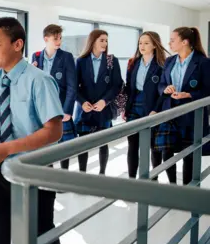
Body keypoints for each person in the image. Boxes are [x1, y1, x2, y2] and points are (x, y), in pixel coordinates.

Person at [0, 17, 63, 244]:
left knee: (42, 234)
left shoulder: (40, 80)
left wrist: (8, 148)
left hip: (34, 170)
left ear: (17, 44)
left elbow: (54, 131)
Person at [154, 27, 210, 185]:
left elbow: (207, 90)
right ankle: (173, 187)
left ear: (184, 42)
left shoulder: (203, 62)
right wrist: (165, 89)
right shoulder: (170, 61)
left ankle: (186, 191)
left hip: (191, 116)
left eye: (172, 40)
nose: (169, 43)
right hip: (169, 113)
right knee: (166, 152)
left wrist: (189, 94)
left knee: (189, 156)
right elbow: (161, 84)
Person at [74, 29, 123, 174]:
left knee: (103, 143)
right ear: (93, 41)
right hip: (85, 110)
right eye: (101, 40)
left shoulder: (111, 60)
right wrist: (82, 102)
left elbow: (117, 85)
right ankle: (82, 174)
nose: (105, 43)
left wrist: (104, 101)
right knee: (82, 144)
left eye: (106, 40)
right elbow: (74, 87)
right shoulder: (81, 61)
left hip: (104, 110)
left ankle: (102, 174)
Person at [31, 24, 77, 170]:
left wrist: (68, 110)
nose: (59, 41)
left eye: (60, 38)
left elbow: (72, 86)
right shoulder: (36, 56)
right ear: (46, 39)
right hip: (41, 107)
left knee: (63, 144)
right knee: (45, 143)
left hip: (60, 106)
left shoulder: (66, 57)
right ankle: (47, 177)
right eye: (55, 38)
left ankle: (63, 177)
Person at [123, 31, 168, 180]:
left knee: (153, 147)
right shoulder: (133, 63)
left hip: (153, 107)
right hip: (134, 106)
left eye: (146, 43)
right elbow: (129, 87)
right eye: (140, 43)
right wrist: (125, 108)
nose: (142, 46)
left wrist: (156, 109)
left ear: (155, 45)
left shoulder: (162, 65)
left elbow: (163, 91)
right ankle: (131, 179)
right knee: (133, 144)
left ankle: (153, 180)